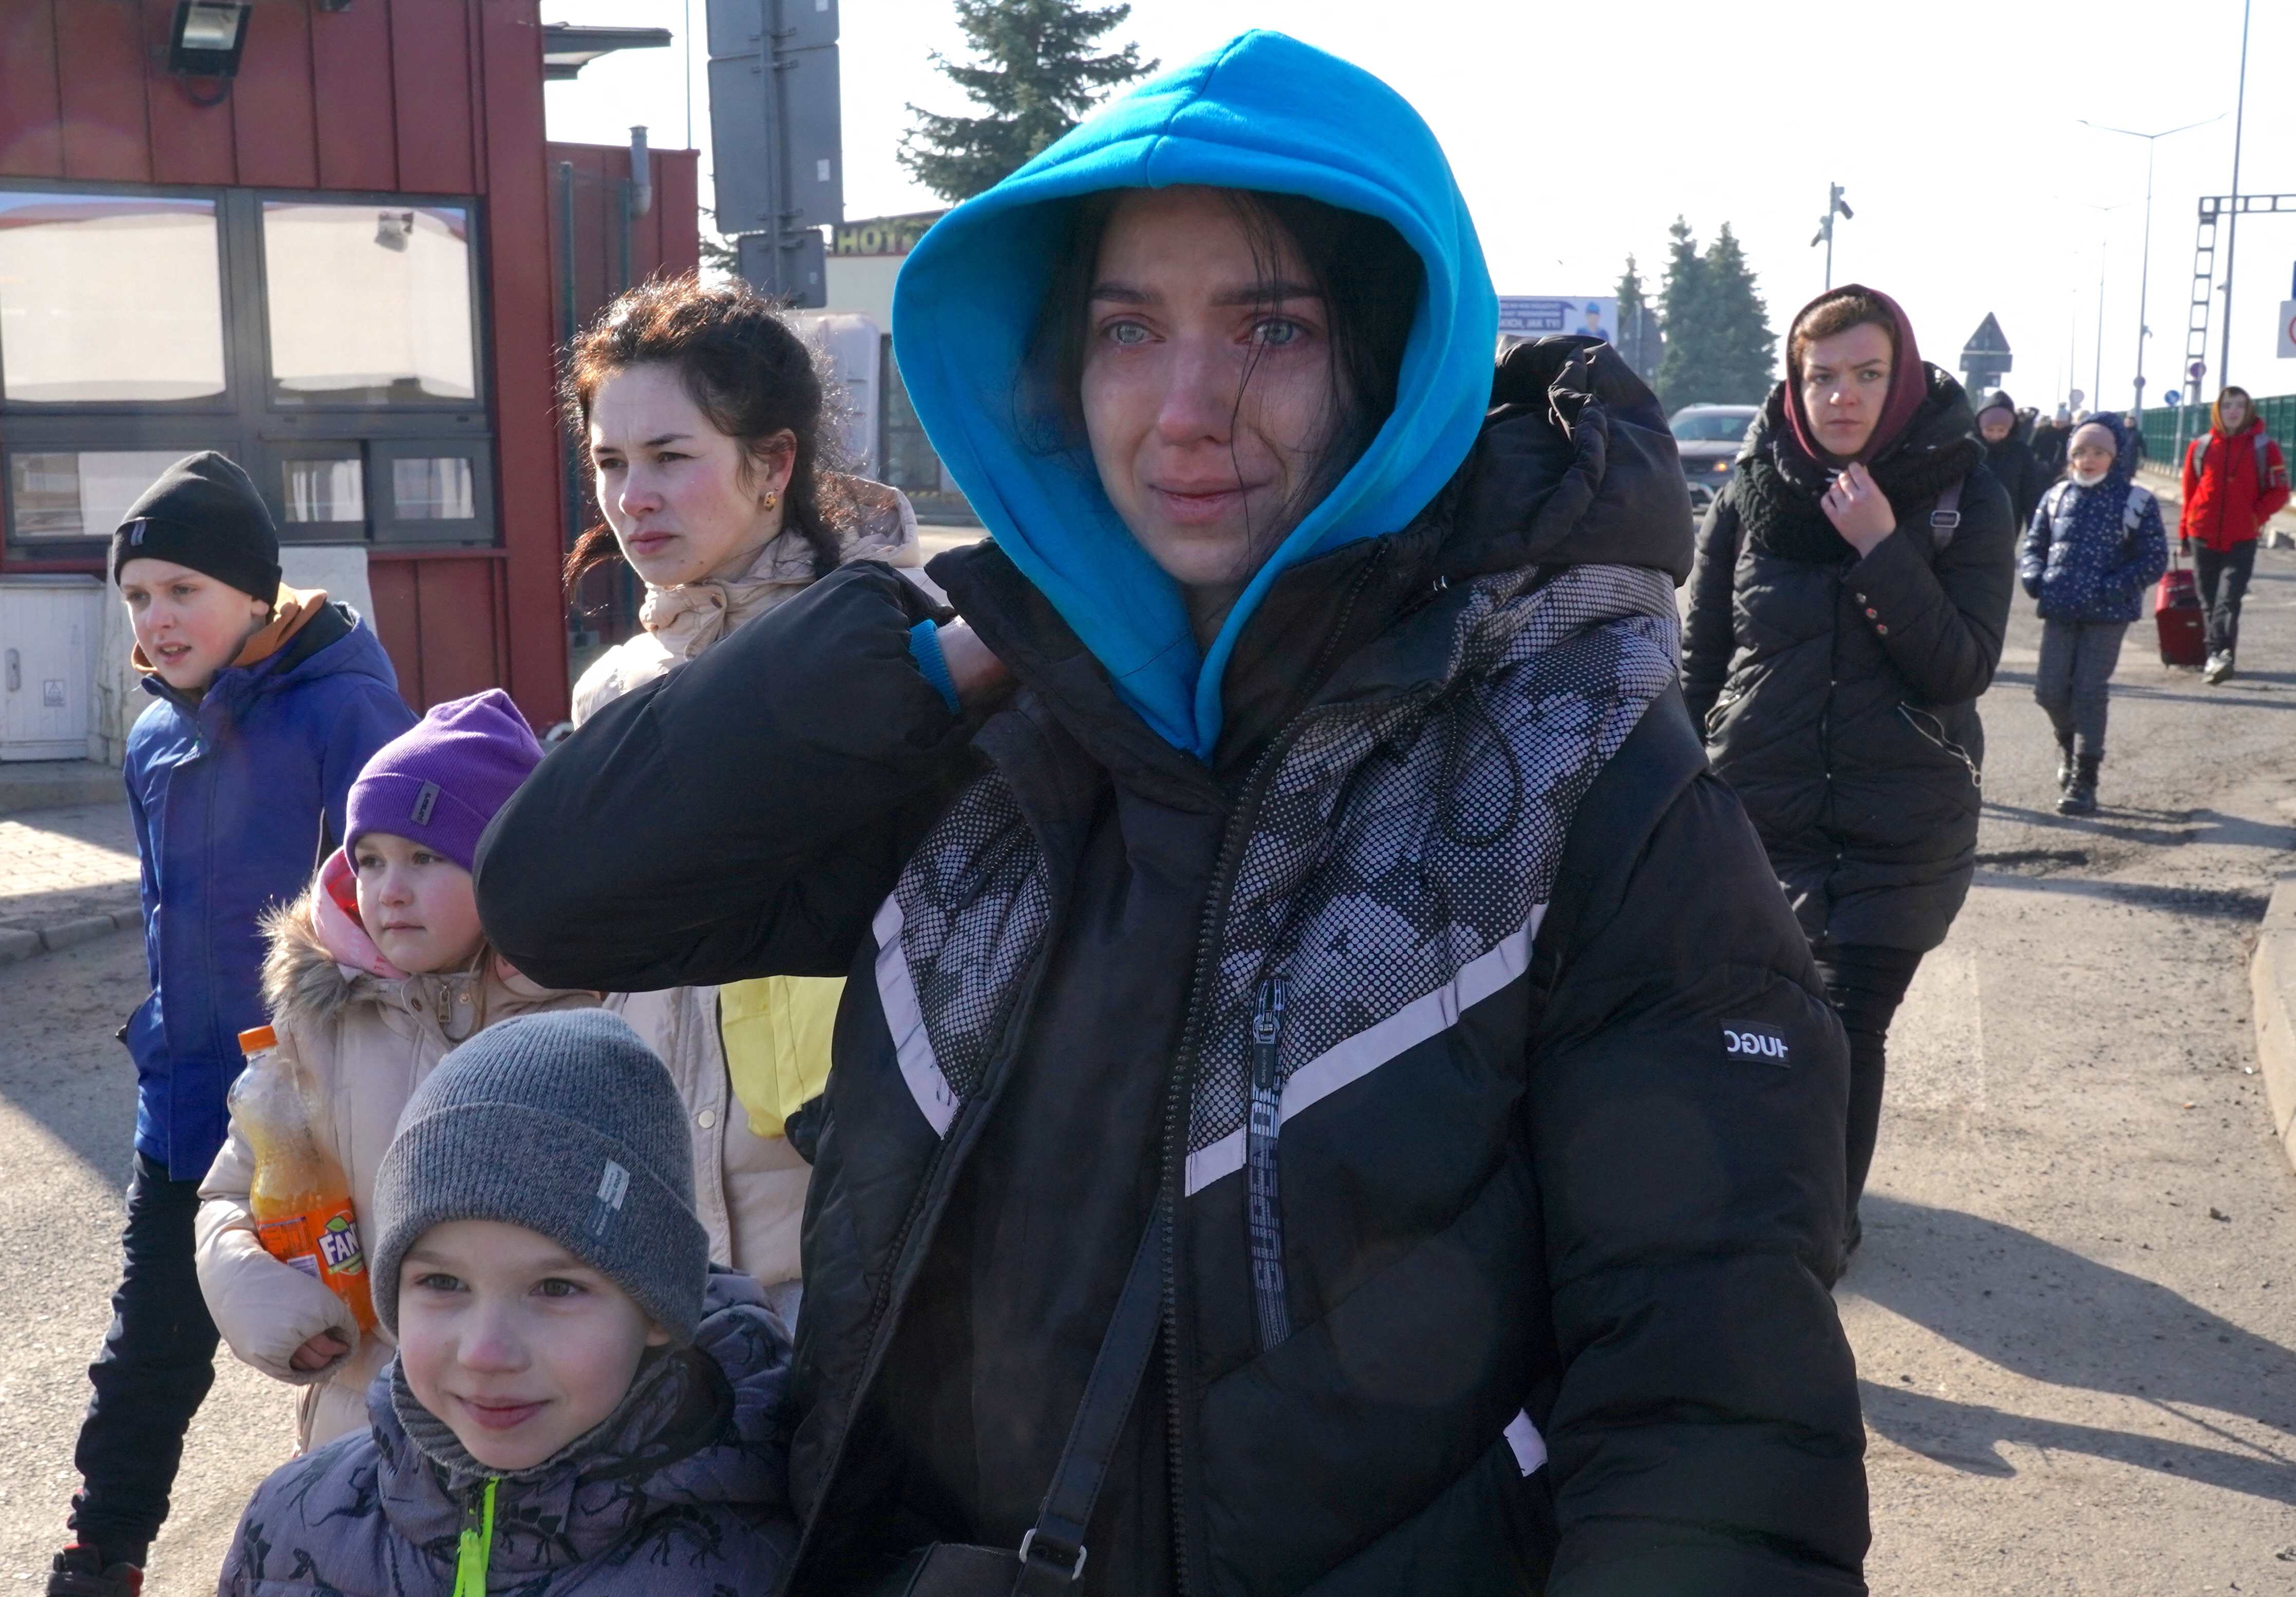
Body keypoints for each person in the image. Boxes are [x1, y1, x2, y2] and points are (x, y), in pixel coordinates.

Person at [478, 31, 1867, 1594]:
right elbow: (561, 893)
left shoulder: (1571, 767)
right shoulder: (985, 739)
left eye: (1268, 326)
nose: (1186, 408)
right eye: (1127, 327)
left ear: (1389, 361)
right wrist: (943, 655)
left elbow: (1711, 1398)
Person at [48, 456, 415, 1597]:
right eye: (138, 598)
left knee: (367, 1347)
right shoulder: (156, 741)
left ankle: (392, 1544)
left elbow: (410, 899)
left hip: (327, 1109)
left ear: (255, 592)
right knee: (148, 1348)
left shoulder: (346, 707)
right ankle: (105, 1549)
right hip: (186, 1109)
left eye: (183, 591)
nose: (157, 621)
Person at [560, 275, 934, 1327]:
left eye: (672, 458)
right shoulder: (618, 689)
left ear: (774, 464)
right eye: (610, 463)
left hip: (859, 1254)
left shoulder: (904, 649)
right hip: (658, 1253)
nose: (634, 497)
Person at [217, 1010, 796, 1595]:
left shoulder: (748, 1564)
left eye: (556, 1289)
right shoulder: (291, 1526)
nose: (486, 1353)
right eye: (443, 1284)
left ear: (656, 1308)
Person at [1682, 284, 2016, 1257]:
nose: (1841, 396)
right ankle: (1778, 1205)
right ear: (1794, 381)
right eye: (1821, 375)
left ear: (1901, 375)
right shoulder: (1752, 490)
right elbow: (1704, 660)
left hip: (1900, 825)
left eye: (1866, 374)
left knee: (1843, 1032)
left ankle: (1820, 1237)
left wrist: (1880, 545)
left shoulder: (1962, 491)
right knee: (1766, 1029)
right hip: (1760, 817)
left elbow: (1961, 665)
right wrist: (1692, 779)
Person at [195, 689, 604, 1451]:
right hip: (358, 1419)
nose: (392, 891)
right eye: (371, 861)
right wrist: (268, 1304)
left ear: (506, 867)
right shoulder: (323, 1021)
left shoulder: (575, 1017)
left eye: (427, 858)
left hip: (527, 1414)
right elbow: (229, 1195)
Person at [2019, 414, 2167, 815]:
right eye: (2081, 451)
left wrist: (2111, 587)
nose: (2088, 459)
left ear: (2115, 456)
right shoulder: (2055, 497)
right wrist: (2034, 577)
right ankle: (2068, 744)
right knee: (2048, 690)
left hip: (2108, 613)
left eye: (2098, 452)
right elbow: (2034, 545)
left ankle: (2085, 779)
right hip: (2060, 608)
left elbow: (2153, 558)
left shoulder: (2137, 501)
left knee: (2088, 690)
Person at [2178, 385, 2290, 684]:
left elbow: (2280, 490)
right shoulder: (2201, 447)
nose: (2234, 411)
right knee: (2209, 600)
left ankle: (2218, 656)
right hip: (2201, 534)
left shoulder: (2265, 447)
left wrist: (2256, 516)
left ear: (2248, 410)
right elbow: (2189, 492)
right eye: (2228, 405)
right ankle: (2219, 657)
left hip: (2242, 537)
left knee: (2229, 599)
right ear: (2218, 409)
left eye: (2240, 405)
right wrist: (2184, 534)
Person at [1975, 390, 2044, 529]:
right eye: (1990, 430)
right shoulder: (1969, 449)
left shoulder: (2021, 452)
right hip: (1970, 521)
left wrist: (2036, 529)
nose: (1995, 436)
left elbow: (2030, 493)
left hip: (2008, 523)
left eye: (2002, 430)